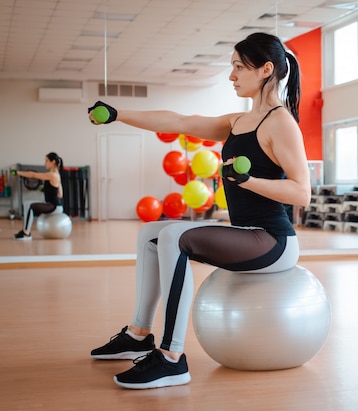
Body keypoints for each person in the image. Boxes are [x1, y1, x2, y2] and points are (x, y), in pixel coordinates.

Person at [87, 32, 311, 390]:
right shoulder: (237, 122)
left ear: (266, 69)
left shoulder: (281, 123)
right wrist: (118, 114)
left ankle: (172, 358)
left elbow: (302, 193)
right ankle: (138, 333)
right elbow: (178, 121)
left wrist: (247, 180)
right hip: (247, 234)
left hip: (273, 241)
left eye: (239, 67)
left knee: (176, 236)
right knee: (150, 233)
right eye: (232, 67)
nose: (232, 75)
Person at [13, 152, 64, 240]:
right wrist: (45, 189)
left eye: (47, 161)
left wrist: (17, 173)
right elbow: (60, 194)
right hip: (53, 205)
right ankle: (25, 230)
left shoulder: (52, 175)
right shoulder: (56, 175)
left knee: (30, 206)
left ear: (53, 162)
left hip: (54, 206)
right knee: (26, 204)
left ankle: (26, 233)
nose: (45, 163)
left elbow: (33, 175)